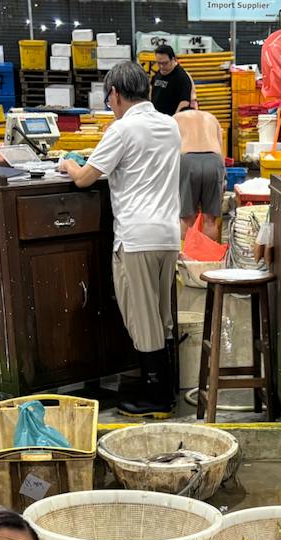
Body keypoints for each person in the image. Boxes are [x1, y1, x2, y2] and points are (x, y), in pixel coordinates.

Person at [59, 61, 181, 416]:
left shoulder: (122, 129)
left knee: (142, 318)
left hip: (136, 238)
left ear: (114, 94)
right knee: (161, 316)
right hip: (168, 236)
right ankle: (167, 390)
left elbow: (85, 178)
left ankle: (156, 397)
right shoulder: (169, 125)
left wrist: (68, 164)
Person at [175, 100, 225, 243]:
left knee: (187, 219)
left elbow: (169, 148)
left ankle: (188, 255)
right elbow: (220, 146)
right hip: (213, 160)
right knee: (210, 219)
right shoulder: (211, 117)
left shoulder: (175, 118)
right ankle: (207, 255)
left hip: (188, 160)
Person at [150, 45, 192, 116]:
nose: (161, 66)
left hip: (171, 118)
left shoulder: (181, 77)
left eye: (165, 63)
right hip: (156, 117)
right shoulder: (158, 73)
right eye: (158, 63)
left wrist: (174, 119)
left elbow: (184, 102)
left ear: (173, 59)